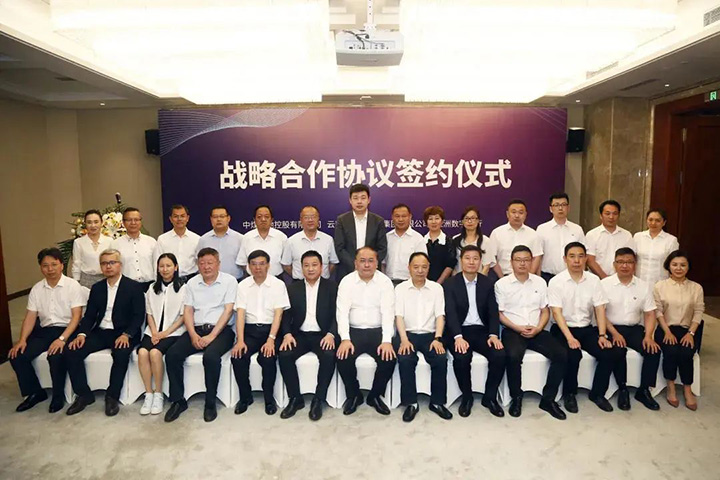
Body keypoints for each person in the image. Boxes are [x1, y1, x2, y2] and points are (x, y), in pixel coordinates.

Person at [64, 249, 145, 416]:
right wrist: (81, 334)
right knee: (72, 351)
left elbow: (138, 316)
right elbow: (90, 316)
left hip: (124, 332)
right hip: (101, 331)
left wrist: (127, 335)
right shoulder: (97, 288)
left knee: (121, 354)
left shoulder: (133, 287)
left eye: (112, 262)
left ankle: (112, 396)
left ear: (120, 265)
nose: (108, 266)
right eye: (104, 263)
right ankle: (84, 395)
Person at [548, 242, 625, 413]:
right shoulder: (556, 281)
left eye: (580, 256)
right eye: (572, 256)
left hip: (586, 328)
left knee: (608, 353)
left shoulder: (594, 280)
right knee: (572, 354)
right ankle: (569, 394)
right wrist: (570, 338)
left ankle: (597, 394)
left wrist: (602, 335)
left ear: (585, 259)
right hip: (563, 329)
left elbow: (600, 308)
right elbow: (556, 313)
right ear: (565, 259)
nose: (576, 260)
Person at [164, 248, 237, 423]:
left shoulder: (229, 281)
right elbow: (188, 311)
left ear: (218, 264)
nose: (206, 267)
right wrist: (193, 334)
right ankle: (178, 401)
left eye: (210, 263)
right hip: (196, 329)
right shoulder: (192, 283)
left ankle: (210, 402)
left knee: (211, 357)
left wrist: (211, 336)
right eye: (202, 263)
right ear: (198, 265)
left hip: (221, 331)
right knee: (172, 355)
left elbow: (228, 311)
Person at [9, 248, 86, 413]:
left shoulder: (72, 286)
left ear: (61, 265)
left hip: (68, 330)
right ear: (40, 267)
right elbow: (30, 317)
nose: (50, 269)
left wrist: (62, 339)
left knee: (56, 355)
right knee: (17, 355)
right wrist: (22, 340)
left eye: (54, 264)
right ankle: (35, 392)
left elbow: (76, 317)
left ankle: (58, 396)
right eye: (45, 265)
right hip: (45, 330)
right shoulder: (37, 289)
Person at [495, 245, 567, 420]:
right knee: (513, 356)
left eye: (526, 260)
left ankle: (548, 399)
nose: (522, 263)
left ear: (532, 261)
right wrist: (517, 328)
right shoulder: (501, 284)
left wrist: (539, 328)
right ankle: (516, 397)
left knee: (562, 354)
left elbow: (545, 310)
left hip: (537, 329)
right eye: (518, 260)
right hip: (513, 330)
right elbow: (500, 314)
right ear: (511, 262)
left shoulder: (540, 282)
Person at [444, 245, 506, 418]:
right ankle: (467, 397)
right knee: (462, 357)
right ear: (461, 260)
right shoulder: (450, 284)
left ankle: (490, 397)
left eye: (475, 258)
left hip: (481, 331)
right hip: (459, 331)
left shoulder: (488, 283)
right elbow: (450, 313)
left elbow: (493, 312)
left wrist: (494, 334)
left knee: (500, 354)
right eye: (467, 258)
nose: (471, 262)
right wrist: (458, 337)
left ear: (480, 262)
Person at [336, 247, 396, 415]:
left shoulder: (385, 282)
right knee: (342, 356)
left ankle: (375, 396)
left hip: (378, 331)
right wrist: (345, 338)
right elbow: (342, 313)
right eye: (362, 261)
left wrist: (386, 340)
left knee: (389, 357)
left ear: (377, 263)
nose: (367, 265)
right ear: (355, 263)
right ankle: (354, 395)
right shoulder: (346, 282)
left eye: (371, 261)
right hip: (353, 331)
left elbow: (388, 313)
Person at [278, 250, 338, 421]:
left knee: (329, 355)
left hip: (323, 335)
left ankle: (319, 399)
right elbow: (285, 315)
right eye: (306, 265)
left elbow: (338, 314)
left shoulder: (332, 287)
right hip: (300, 335)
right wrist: (287, 334)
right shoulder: (292, 288)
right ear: (301, 268)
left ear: (322, 267)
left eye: (314, 265)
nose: (310, 269)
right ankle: (295, 398)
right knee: (284, 354)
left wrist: (331, 334)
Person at [394, 252, 453, 422]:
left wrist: (438, 338)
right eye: (416, 267)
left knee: (440, 358)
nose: (420, 270)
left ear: (429, 268)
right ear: (409, 268)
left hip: (431, 335)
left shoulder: (436, 288)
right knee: (406, 359)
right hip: (408, 334)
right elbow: (399, 316)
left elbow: (440, 315)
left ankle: (437, 402)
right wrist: (404, 340)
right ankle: (411, 403)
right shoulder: (400, 289)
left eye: (424, 267)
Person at [601, 247, 661, 411]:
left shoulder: (643, 286)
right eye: (620, 262)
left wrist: (649, 336)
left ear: (635, 264)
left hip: (634, 328)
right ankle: (623, 389)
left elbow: (650, 313)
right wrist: (614, 333)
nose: (624, 265)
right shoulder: (604, 284)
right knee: (618, 350)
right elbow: (600, 314)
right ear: (614, 264)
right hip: (611, 328)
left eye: (629, 262)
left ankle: (644, 390)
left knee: (653, 350)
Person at [231, 250, 290, 416]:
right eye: (254, 264)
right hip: (250, 331)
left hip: (271, 331)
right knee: (238, 356)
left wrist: (271, 339)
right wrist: (240, 340)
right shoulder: (243, 285)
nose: (258, 268)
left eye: (262, 264)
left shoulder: (278, 284)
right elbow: (240, 314)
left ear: (268, 265)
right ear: (249, 267)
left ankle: (269, 399)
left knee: (267, 357)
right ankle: (245, 397)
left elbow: (279, 314)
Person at [136, 253, 187, 416]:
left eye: (168, 266)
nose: (165, 269)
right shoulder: (152, 288)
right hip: (153, 331)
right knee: (142, 352)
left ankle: (158, 394)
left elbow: (183, 316)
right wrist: (154, 332)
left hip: (174, 332)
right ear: (157, 269)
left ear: (176, 267)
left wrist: (165, 333)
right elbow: (149, 313)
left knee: (155, 353)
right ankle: (148, 394)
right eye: (161, 266)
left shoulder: (183, 288)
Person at [653, 250, 704, 411]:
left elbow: (698, 312)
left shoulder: (696, 288)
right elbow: (658, 312)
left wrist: (691, 333)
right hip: (666, 328)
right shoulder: (660, 286)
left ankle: (688, 389)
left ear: (688, 267)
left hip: (689, 329)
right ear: (668, 266)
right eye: (674, 264)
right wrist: (667, 332)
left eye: (683, 265)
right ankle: (671, 387)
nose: (678, 268)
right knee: (671, 351)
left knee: (686, 353)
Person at [333, 183, 388, 280]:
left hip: (372, 272)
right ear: (350, 200)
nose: (359, 201)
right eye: (355, 198)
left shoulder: (378, 221)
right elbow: (339, 248)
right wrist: (355, 265)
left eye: (363, 198)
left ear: (369, 200)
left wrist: (369, 264)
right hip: (347, 271)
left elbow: (382, 248)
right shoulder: (342, 220)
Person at [536, 193, 585, 284]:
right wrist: (539, 280)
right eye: (556, 205)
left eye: (563, 205)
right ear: (551, 209)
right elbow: (538, 256)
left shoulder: (577, 229)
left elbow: (583, 255)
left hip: (572, 276)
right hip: (547, 276)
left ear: (568, 208)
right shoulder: (542, 229)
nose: (560, 208)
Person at [281, 205, 339, 281]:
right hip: (299, 283)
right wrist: (298, 277)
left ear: (318, 219)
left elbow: (333, 263)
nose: (310, 220)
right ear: (301, 220)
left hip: (323, 283)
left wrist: (323, 276)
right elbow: (286, 265)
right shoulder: (291, 241)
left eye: (313, 217)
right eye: (306, 217)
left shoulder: (328, 240)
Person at [489, 199, 543, 278]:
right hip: (503, 276)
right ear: (507, 214)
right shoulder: (497, 233)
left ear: (525, 214)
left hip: (527, 277)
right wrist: (502, 278)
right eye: (513, 212)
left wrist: (529, 276)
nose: (517, 215)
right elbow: (492, 258)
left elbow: (537, 257)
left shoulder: (533, 234)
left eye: (520, 212)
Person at [586, 200, 635, 279]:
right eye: (607, 213)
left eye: (615, 213)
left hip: (620, 280)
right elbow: (590, 260)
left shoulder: (627, 235)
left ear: (619, 215)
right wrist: (605, 279)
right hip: (597, 279)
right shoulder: (591, 235)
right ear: (601, 215)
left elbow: (630, 260)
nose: (611, 217)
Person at [111, 207, 157, 290]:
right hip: (126, 287)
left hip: (149, 286)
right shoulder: (115, 244)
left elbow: (156, 264)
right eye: (129, 220)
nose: (133, 223)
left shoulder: (151, 242)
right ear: (123, 223)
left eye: (136, 220)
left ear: (140, 221)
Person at [236, 205, 287, 279]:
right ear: (254, 219)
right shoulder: (247, 237)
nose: (263, 219)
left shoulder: (281, 237)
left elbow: (286, 262)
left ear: (271, 219)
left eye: (266, 217)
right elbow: (242, 262)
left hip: (277, 279)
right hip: (253, 279)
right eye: (259, 217)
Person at [153, 204, 200, 283]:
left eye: (182, 216)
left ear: (187, 218)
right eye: (176, 216)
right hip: (169, 280)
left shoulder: (197, 239)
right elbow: (157, 262)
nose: (179, 219)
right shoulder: (162, 239)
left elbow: (200, 262)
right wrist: (157, 282)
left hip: (191, 280)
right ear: (171, 219)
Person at [196, 205, 245, 281]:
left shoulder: (240, 239)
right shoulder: (203, 239)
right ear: (211, 219)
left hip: (235, 281)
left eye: (222, 216)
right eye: (215, 217)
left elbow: (244, 262)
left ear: (228, 218)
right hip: (210, 282)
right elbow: (199, 261)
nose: (218, 219)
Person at [633, 209, 679, 286]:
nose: (653, 223)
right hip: (639, 281)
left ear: (664, 223)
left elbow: (674, 263)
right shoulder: (638, 237)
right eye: (650, 220)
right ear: (646, 220)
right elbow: (632, 259)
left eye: (657, 220)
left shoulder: (671, 240)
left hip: (661, 283)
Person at [384, 204, 427, 285]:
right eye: (397, 216)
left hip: (410, 284)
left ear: (410, 217)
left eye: (404, 216)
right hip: (389, 283)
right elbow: (383, 263)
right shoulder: (387, 237)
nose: (400, 219)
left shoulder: (418, 238)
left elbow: (423, 263)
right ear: (392, 217)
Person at [71, 209, 113, 288]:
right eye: (89, 222)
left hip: (105, 279)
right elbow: (76, 264)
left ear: (102, 223)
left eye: (96, 222)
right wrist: (76, 283)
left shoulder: (109, 241)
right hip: (85, 281)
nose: (93, 225)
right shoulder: (78, 242)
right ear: (85, 224)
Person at [452, 206, 493, 276]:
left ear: (478, 221)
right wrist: (457, 280)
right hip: (459, 279)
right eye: (467, 218)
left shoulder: (486, 241)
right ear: (462, 221)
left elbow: (486, 266)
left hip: (479, 279)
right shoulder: (455, 239)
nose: (470, 221)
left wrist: (479, 280)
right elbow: (453, 266)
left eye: (473, 218)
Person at [423, 205, 456, 284]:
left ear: (442, 221)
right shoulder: (421, 241)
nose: (434, 222)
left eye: (437, 218)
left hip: (444, 284)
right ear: (426, 222)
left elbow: (450, 265)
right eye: (430, 219)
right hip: (423, 283)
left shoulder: (449, 242)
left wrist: (437, 284)